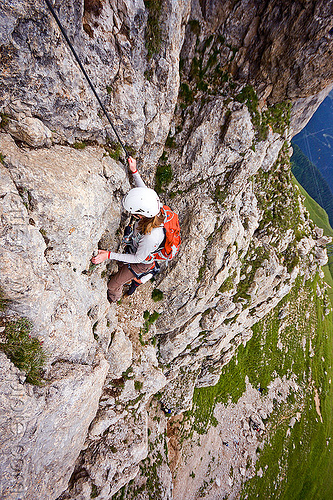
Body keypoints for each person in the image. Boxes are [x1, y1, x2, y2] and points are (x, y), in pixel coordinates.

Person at [91, 157, 165, 303]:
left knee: (113, 284)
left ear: (140, 215)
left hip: (141, 263)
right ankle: (122, 272)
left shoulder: (151, 236)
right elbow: (144, 194)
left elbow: (138, 258)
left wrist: (108, 255)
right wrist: (134, 171)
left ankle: (113, 298)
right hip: (135, 250)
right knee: (120, 265)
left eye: (134, 213)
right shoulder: (154, 207)